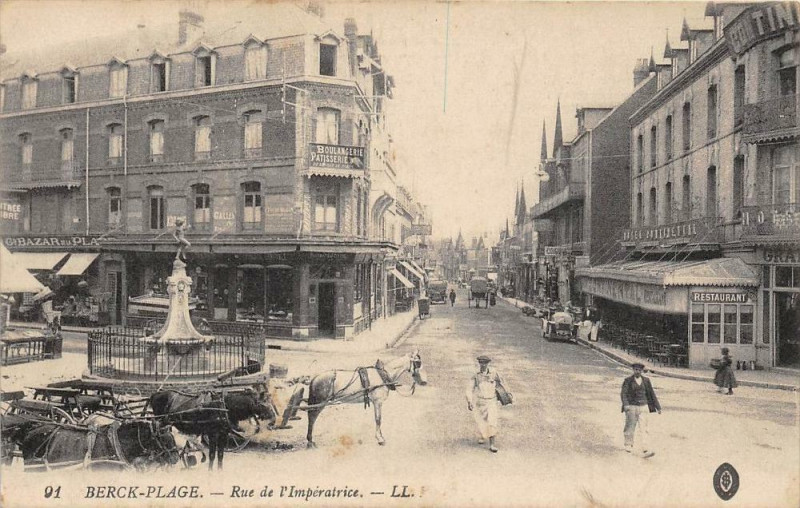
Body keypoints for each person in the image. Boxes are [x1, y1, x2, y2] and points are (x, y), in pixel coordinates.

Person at [465, 355, 509, 453]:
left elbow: (502, 383)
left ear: (488, 363)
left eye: (485, 363)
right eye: (481, 363)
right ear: (479, 363)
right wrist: (469, 401)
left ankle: (492, 444)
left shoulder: (494, 373)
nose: (483, 365)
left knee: (492, 421)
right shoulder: (476, 375)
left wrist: (507, 393)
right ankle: (482, 434)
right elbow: (469, 388)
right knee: (481, 421)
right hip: (480, 402)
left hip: (491, 401)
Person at [620, 363, 661, 458]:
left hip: (644, 406)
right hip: (632, 406)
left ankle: (645, 447)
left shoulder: (646, 381)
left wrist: (658, 407)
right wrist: (626, 405)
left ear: (642, 371)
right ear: (633, 370)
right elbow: (624, 394)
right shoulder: (628, 381)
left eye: (639, 370)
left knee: (644, 428)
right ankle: (628, 444)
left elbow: (651, 394)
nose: (637, 371)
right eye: (635, 369)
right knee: (630, 426)